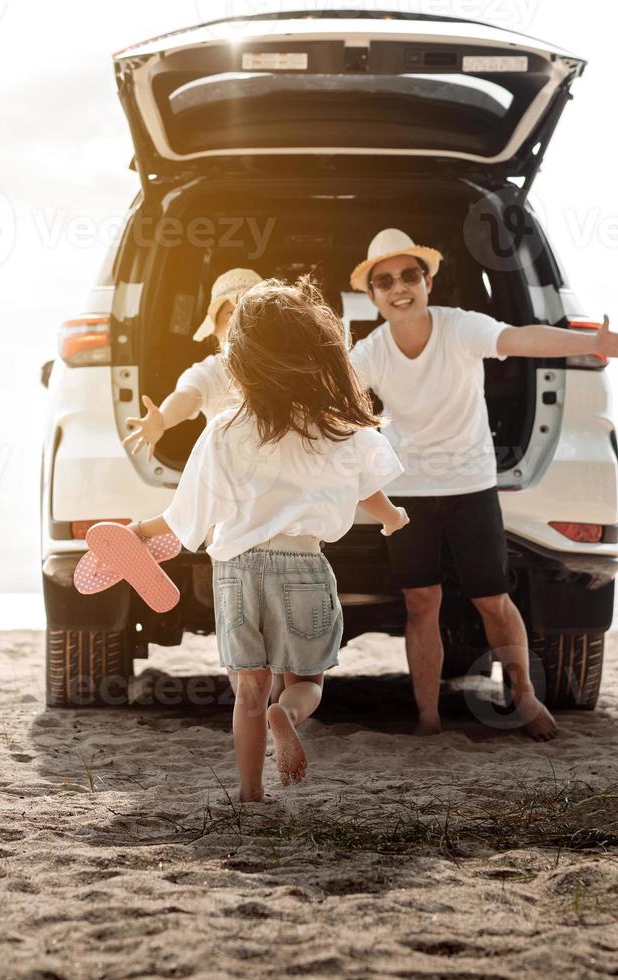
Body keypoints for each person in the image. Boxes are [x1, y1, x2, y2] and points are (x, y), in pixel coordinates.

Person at [347, 228, 618, 739]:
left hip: (471, 487)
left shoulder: (459, 328)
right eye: (385, 281)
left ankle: (528, 700)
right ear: (374, 294)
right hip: (411, 494)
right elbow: (330, 392)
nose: (398, 287)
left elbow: (522, 338)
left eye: (408, 275)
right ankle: (427, 717)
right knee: (421, 603)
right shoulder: (371, 351)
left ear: (426, 281)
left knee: (492, 600)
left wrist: (594, 343)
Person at [125, 277, 411, 802]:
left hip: (236, 571)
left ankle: (251, 790)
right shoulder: (333, 424)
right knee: (307, 680)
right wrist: (392, 518)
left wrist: (141, 532)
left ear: (239, 357)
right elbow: (368, 487)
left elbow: (189, 510)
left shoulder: (226, 428)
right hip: (302, 566)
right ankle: (290, 713)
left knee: (248, 691)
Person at [121, 267, 262, 462]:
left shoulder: (290, 366)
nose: (241, 323)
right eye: (230, 314)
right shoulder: (208, 373)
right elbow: (186, 396)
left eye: (250, 313)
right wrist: (162, 419)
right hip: (229, 477)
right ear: (215, 328)